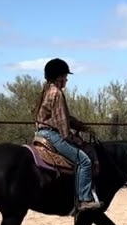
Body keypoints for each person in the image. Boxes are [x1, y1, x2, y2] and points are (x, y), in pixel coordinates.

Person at [35, 58, 100, 212]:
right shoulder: (56, 93)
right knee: (84, 161)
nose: (66, 80)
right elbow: (62, 124)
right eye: (65, 77)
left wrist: (82, 127)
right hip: (52, 135)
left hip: (40, 133)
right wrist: (73, 138)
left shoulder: (46, 91)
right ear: (59, 77)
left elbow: (63, 117)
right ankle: (84, 199)